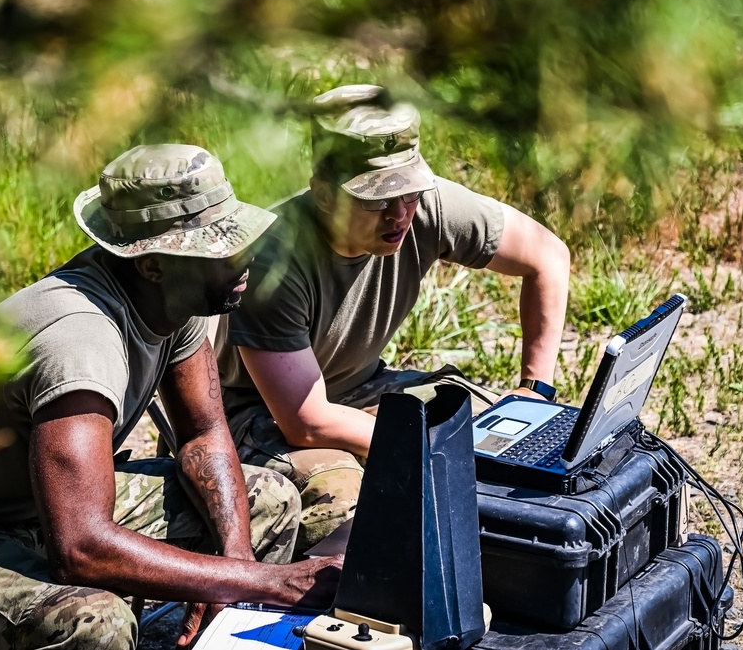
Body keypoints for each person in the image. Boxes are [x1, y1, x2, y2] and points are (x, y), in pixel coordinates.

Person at [0, 144, 341, 650]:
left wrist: (235, 572)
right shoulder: (79, 338)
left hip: (36, 512)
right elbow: (80, 548)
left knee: (268, 498)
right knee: (94, 625)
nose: (245, 259)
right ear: (151, 264)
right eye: (220, 250)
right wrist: (267, 582)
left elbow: (203, 437)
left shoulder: (177, 300)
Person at [216, 85, 571, 550]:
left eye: (409, 193)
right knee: (345, 500)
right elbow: (306, 423)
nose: (399, 213)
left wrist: (534, 391)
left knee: (520, 437)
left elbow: (547, 256)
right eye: (376, 198)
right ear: (323, 194)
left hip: (359, 386)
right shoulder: (274, 259)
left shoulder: (426, 205)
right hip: (254, 413)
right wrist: (430, 444)